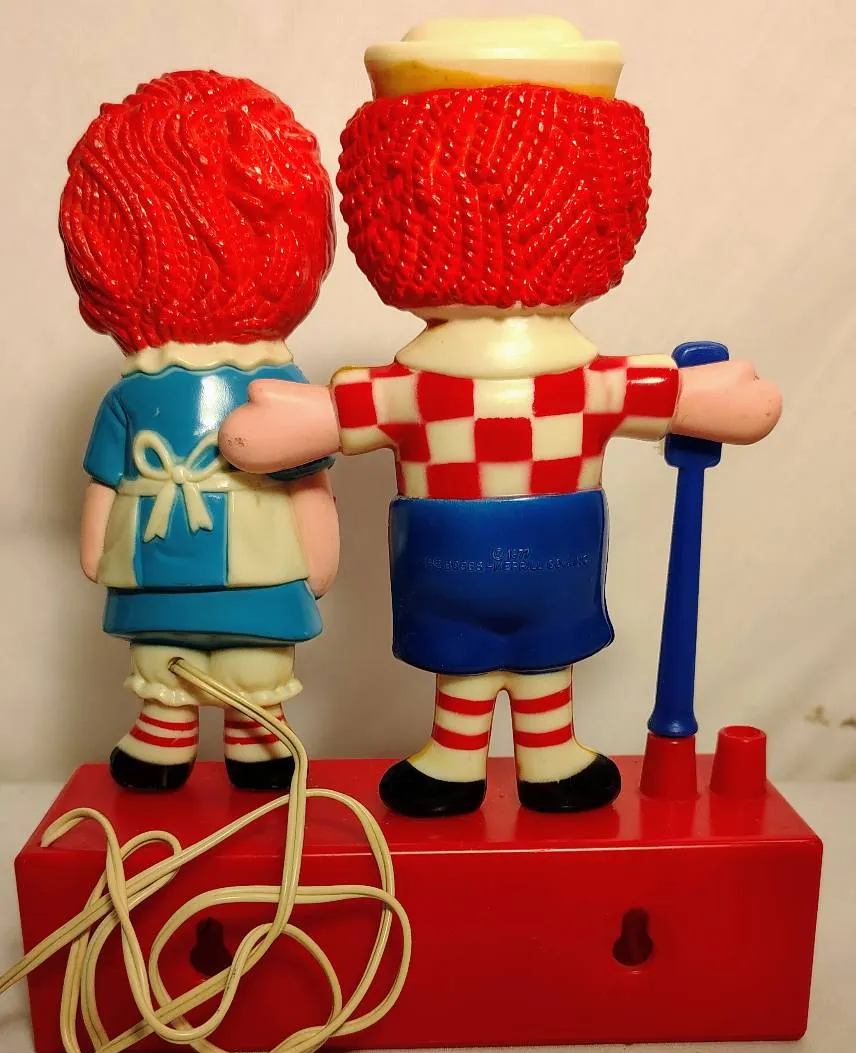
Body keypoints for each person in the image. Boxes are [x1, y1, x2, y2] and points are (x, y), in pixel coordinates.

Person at [220, 18, 782, 816]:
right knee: (467, 657)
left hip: (544, 554)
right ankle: (463, 755)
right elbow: (345, 414)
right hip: (460, 557)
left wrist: (702, 398)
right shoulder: (452, 385)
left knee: (542, 653)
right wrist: (300, 423)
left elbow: (654, 393)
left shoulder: (553, 379)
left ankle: (543, 753)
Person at [64, 70, 338, 792]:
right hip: (173, 556)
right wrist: (319, 551)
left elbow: (306, 474)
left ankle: (254, 734)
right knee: (164, 659)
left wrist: (97, 546)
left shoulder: (272, 382)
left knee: (251, 657)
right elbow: (106, 477)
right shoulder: (136, 392)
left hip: (234, 554)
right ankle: (168, 733)